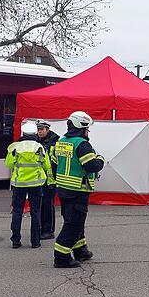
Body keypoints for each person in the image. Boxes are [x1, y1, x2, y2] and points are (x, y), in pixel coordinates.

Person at [52, 111, 104, 268]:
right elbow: (91, 166)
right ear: (81, 127)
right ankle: (61, 257)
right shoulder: (82, 144)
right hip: (78, 190)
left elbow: (55, 165)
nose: (88, 132)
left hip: (63, 189)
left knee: (75, 221)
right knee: (73, 224)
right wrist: (100, 159)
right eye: (87, 128)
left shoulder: (61, 142)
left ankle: (81, 251)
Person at [5, 122, 53, 249]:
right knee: (36, 213)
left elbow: (9, 164)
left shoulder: (14, 148)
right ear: (34, 133)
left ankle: (16, 241)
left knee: (17, 212)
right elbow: (47, 166)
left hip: (19, 184)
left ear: (23, 133)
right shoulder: (40, 148)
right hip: (36, 184)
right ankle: (35, 242)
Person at [36, 119, 59, 240]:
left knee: (48, 205)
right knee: (40, 204)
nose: (39, 132)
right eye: (38, 129)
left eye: (41, 129)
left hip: (50, 179)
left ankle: (49, 230)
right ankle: (41, 229)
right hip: (39, 177)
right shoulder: (36, 140)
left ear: (47, 129)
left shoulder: (55, 141)